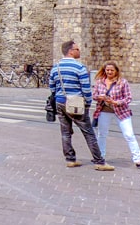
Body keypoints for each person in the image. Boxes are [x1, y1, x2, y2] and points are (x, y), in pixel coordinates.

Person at [48, 40, 114, 171]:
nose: (79, 51)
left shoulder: (56, 67)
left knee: (65, 132)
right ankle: (99, 162)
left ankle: (70, 159)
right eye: (77, 49)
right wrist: (88, 103)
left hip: (60, 101)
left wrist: (58, 96)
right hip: (76, 103)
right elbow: (86, 88)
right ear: (71, 51)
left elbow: (52, 86)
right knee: (88, 132)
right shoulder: (80, 68)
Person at [92, 61, 140, 167]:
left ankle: (137, 159)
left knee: (129, 135)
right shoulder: (99, 82)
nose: (109, 72)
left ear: (116, 71)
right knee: (102, 134)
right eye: (107, 70)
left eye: (112, 70)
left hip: (122, 112)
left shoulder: (122, 82)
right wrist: (100, 97)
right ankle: (100, 157)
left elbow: (128, 98)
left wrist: (115, 102)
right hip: (104, 111)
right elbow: (94, 95)